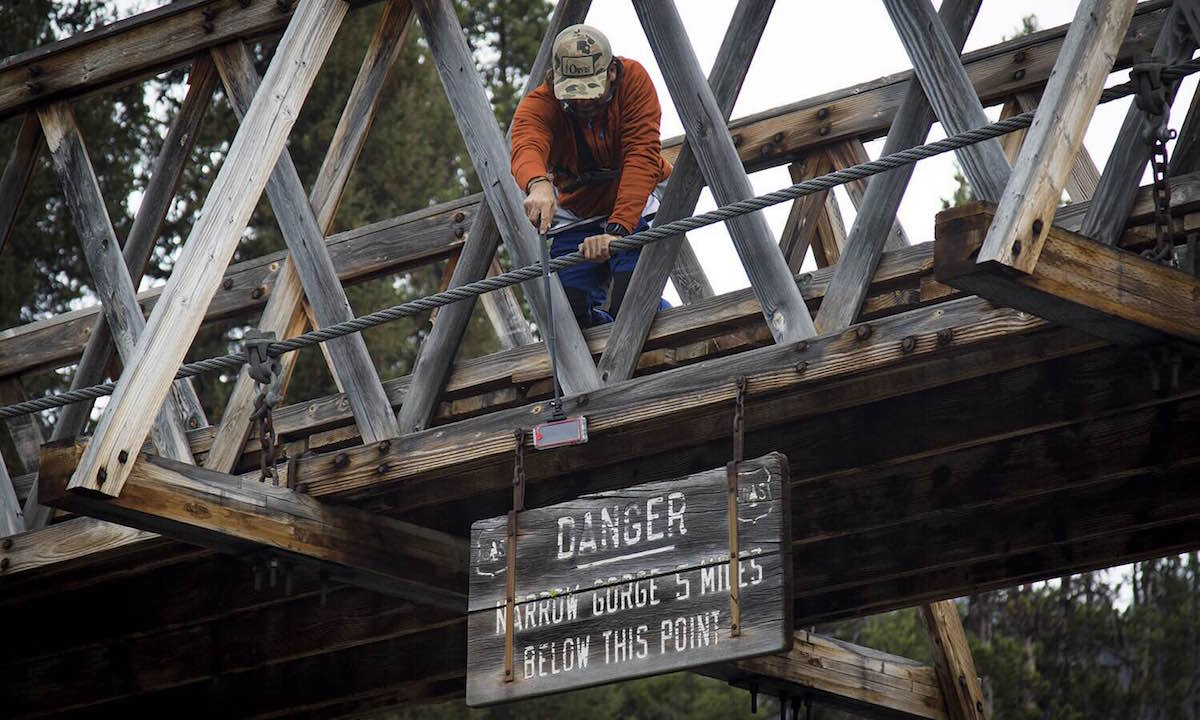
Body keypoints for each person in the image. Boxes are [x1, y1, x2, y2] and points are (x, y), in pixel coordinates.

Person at [511, 24, 672, 327]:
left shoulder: (634, 80)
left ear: (612, 72)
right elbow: (526, 144)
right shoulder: (540, 104)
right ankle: (608, 352)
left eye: (591, 91)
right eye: (574, 93)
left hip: (633, 207)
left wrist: (617, 231)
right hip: (577, 214)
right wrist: (538, 183)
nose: (583, 102)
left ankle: (659, 321)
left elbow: (642, 156)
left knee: (635, 302)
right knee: (567, 318)